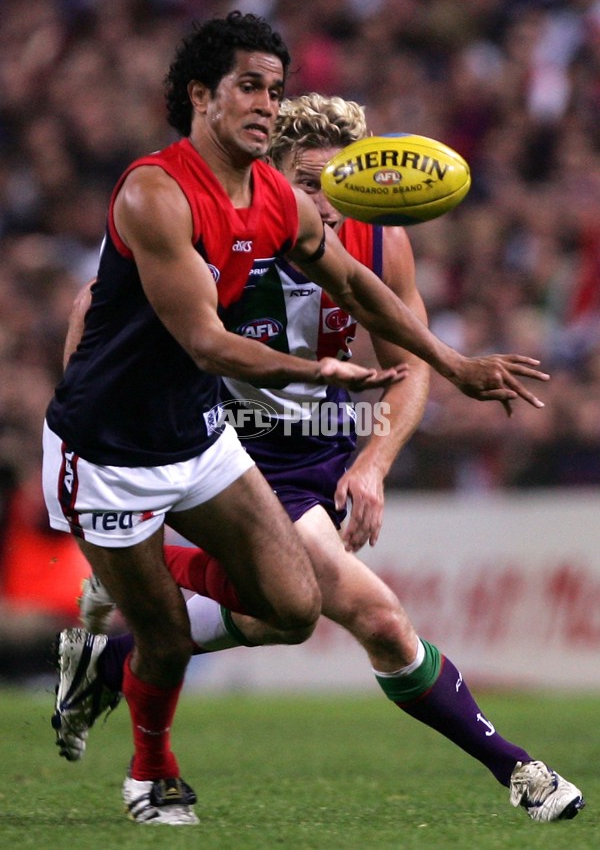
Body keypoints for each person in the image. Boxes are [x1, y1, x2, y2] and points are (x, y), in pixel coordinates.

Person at [53, 87, 582, 824]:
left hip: (323, 449)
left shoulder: (376, 240)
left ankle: (109, 653)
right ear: (272, 179)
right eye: (308, 183)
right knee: (380, 619)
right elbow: (95, 307)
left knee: (282, 616)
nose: (326, 205)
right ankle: (523, 773)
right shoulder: (228, 229)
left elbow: (410, 365)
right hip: (234, 451)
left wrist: (373, 464)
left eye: (337, 184)